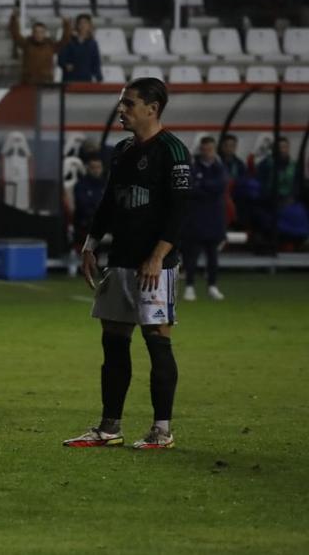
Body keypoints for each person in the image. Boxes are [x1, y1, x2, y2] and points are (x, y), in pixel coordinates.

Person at [66, 77, 190, 450]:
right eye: (122, 103)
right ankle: (109, 427)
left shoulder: (173, 151)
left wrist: (157, 257)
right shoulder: (121, 151)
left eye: (129, 104)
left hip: (155, 266)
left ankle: (162, 430)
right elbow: (109, 202)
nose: (121, 110)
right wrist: (90, 244)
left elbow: (180, 212)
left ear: (152, 109)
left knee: (157, 342)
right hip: (119, 261)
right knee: (113, 342)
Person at [182, 136, 227, 302]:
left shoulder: (220, 167)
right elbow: (190, 188)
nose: (207, 152)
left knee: (213, 256)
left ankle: (212, 286)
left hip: (214, 219)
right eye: (205, 149)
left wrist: (202, 184)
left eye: (210, 149)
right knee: (191, 256)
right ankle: (189, 286)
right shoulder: (192, 166)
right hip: (195, 219)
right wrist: (205, 188)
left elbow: (220, 186)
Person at [9, 11, 72, 85]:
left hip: (46, 83)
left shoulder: (51, 46)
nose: (38, 34)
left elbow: (65, 40)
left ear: (45, 33)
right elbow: (15, 34)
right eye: (36, 32)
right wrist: (14, 19)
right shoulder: (26, 44)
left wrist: (67, 24)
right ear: (32, 33)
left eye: (41, 32)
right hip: (28, 83)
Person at [72, 155, 106, 250]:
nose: (96, 170)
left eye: (98, 167)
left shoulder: (106, 184)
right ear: (87, 168)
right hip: (86, 225)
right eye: (93, 167)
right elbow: (83, 206)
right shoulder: (81, 186)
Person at [58, 14, 102, 83]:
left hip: (86, 81)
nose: (83, 25)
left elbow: (96, 63)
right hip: (70, 80)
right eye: (80, 23)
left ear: (89, 26)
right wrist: (65, 64)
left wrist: (99, 78)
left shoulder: (93, 44)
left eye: (85, 23)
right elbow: (61, 58)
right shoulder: (69, 41)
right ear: (77, 25)